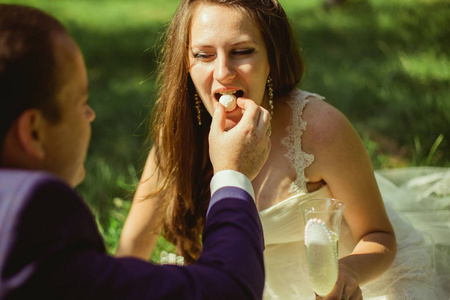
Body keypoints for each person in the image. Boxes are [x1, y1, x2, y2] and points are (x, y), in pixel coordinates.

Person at [117, 0, 450, 299]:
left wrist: (349, 272)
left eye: (242, 51)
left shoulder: (320, 130)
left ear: (272, 59)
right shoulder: (177, 139)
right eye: (203, 55)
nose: (222, 73)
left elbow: (379, 235)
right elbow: (130, 252)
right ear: (186, 65)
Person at [0, 4, 272, 299]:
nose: (90, 115)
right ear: (34, 132)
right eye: (81, 104)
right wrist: (232, 174)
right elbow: (227, 291)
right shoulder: (28, 219)